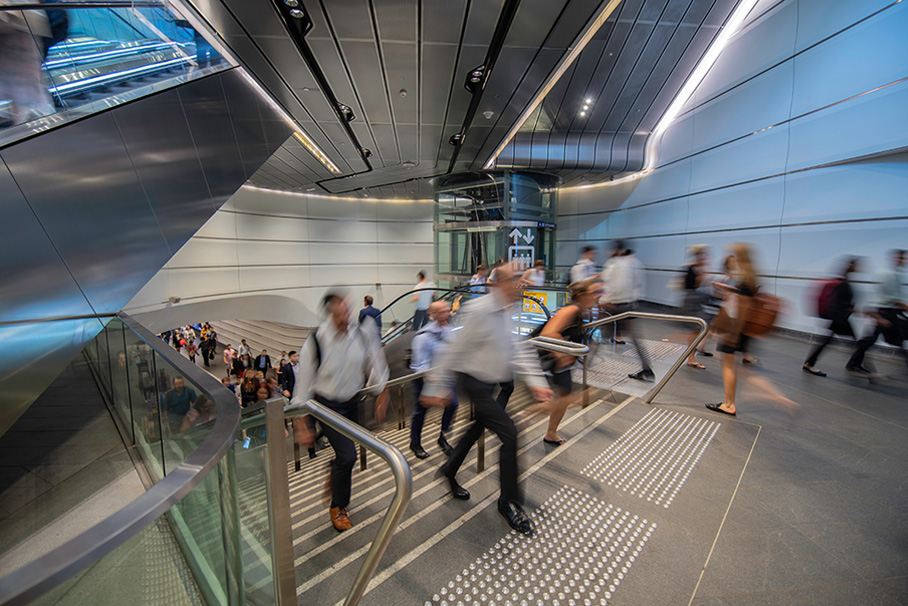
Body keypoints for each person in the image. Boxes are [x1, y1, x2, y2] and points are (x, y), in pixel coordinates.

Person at [422, 264, 553, 535]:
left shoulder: (507, 310)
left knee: (476, 429)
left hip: (492, 382)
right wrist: (435, 387)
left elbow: (518, 348)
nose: (520, 285)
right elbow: (454, 350)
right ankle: (508, 502)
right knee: (510, 432)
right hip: (473, 383)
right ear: (498, 283)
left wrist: (537, 383)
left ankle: (449, 469)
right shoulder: (479, 310)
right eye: (515, 280)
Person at [291, 292, 389, 532]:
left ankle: (335, 471)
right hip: (327, 406)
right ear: (329, 315)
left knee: (347, 454)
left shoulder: (360, 334)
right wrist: (301, 425)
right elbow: (302, 386)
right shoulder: (315, 341)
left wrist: (382, 392)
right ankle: (338, 506)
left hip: (352, 402)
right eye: (339, 314)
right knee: (348, 457)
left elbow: (375, 362)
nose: (345, 318)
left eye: (346, 311)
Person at [539, 278, 602, 445]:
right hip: (557, 359)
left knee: (564, 396)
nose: (597, 296)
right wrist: (562, 355)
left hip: (562, 358)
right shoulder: (572, 309)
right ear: (581, 295)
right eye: (593, 293)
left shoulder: (581, 310)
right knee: (564, 397)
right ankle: (543, 425)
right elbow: (548, 333)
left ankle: (550, 431)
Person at [706, 243, 757, 416]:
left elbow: (738, 306)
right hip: (742, 328)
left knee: (728, 365)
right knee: (730, 364)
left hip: (734, 328)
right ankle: (729, 402)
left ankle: (729, 404)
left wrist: (729, 332)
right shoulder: (751, 277)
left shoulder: (743, 278)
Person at [408, 301, 458, 459]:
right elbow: (420, 366)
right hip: (425, 378)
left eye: (447, 311)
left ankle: (442, 437)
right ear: (433, 314)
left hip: (444, 374)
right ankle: (415, 443)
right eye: (443, 312)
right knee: (421, 412)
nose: (447, 314)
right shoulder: (423, 337)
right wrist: (434, 387)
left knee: (453, 404)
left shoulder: (448, 330)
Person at [847, 249, 907, 376]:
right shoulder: (889, 274)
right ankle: (853, 364)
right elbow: (892, 298)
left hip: (887, 311)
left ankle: (853, 363)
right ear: (894, 258)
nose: (903, 261)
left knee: (894, 339)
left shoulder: (893, 274)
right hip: (884, 312)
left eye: (904, 258)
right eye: (901, 258)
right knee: (871, 339)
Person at [601, 241, 653, 381]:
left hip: (616, 306)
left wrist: (605, 300)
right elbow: (638, 285)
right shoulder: (635, 263)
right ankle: (647, 369)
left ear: (617, 250)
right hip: (631, 305)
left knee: (598, 335)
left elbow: (616, 287)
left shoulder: (616, 264)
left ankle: (585, 368)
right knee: (635, 339)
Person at [803, 257, 862, 377]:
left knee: (828, 341)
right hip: (839, 317)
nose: (857, 267)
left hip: (839, 317)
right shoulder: (842, 281)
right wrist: (848, 308)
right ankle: (855, 365)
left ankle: (809, 363)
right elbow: (839, 300)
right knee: (855, 343)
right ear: (850, 265)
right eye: (855, 265)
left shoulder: (843, 279)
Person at [679, 245, 712, 369]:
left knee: (698, 329)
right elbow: (692, 285)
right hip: (693, 301)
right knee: (697, 329)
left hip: (696, 300)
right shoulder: (693, 268)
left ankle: (691, 356)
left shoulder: (695, 267)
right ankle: (690, 358)